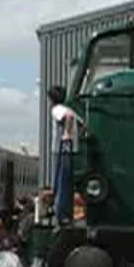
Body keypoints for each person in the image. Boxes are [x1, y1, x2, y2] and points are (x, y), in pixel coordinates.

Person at [48, 85, 81, 225]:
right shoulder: (71, 110)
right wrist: (76, 136)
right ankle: (67, 214)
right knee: (67, 184)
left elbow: (67, 118)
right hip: (72, 149)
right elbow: (81, 125)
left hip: (62, 149)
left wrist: (67, 134)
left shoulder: (57, 109)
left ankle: (61, 216)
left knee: (60, 182)